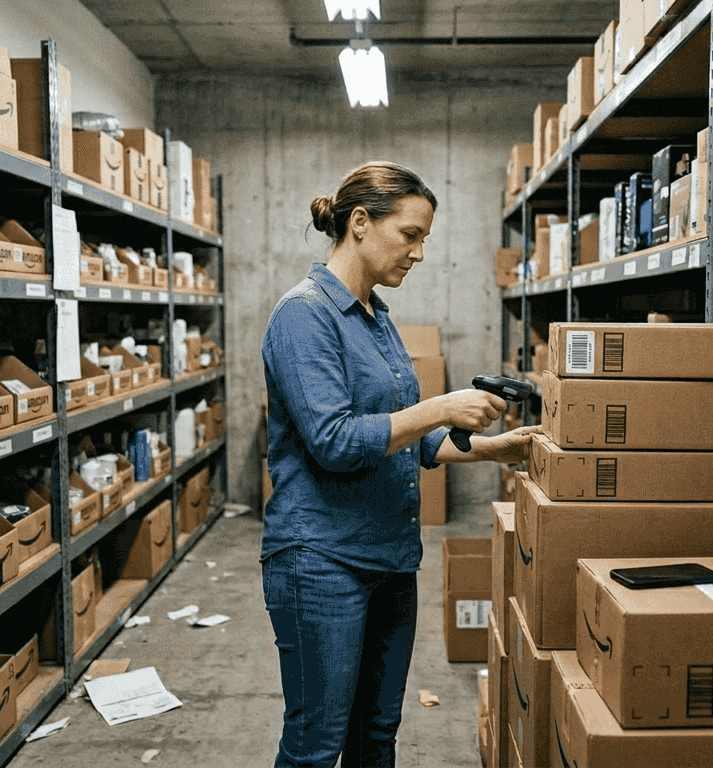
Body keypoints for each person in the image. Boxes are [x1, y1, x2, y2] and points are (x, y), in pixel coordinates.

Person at [260, 161, 539, 768]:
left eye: (425, 239)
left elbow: (401, 441)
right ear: (359, 222)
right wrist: (440, 404)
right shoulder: (304, 316)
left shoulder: (377, 318)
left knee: (378, 732)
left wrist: (499, 446)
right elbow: (334, 441)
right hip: (322, 561)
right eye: (409, 234)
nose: (418, 252)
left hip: (388, 558)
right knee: (315, 744)